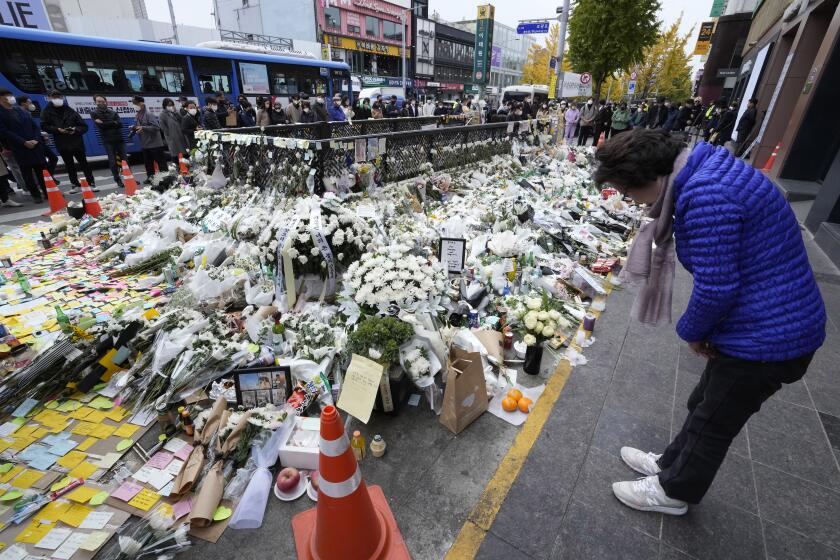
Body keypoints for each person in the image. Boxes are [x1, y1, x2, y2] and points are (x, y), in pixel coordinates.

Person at [593, 128, 825, 516]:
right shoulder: (706, 168)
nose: (631, 202)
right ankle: (670, 463)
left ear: (648, 179)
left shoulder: (705, 195)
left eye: (627, 192)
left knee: (714, 419)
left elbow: (717, 287)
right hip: (767, 317)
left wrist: (693, 332)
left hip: (769, 335)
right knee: (704, 403)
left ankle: (673, 492)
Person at [40, 90, 96, 194]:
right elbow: (44, 126)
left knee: (84, 163)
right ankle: (75, 184)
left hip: (76, 141)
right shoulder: (46, 112)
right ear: (50, 98)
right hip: (62, 142)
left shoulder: (70, 110)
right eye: (54, 97)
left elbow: (84, 126)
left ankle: (91, 182)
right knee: (69, 165)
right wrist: (57, 130)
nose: (57, 99)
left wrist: (75, 129)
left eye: (59, 97)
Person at [0, 89, 47, 203]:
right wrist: (24, 142)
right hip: (19, 146)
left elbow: (34, 126)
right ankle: (35, 195)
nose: (11, 97)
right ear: (1, 98)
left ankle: (47, 192)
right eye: (8, 96)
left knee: (42, 171)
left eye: (11, 95)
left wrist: (36, 139)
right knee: (27, 172)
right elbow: (5, 131)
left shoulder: (20, 110)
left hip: (35, 145)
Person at [131, 95, 167, 183]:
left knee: (160, 162)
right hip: (145, 143)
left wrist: (143, 128)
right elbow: (140, 126)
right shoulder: (138, 115)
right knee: (148, 163)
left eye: (135, 103)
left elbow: (156, 127)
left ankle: (165, 177)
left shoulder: (148, 114)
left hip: (154, 143)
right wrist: (134, 127)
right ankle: (150, 177)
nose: (134, 105)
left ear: (141, 103)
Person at [91, 95, 126, 186]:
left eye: (102, 101)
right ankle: (118, 180)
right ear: (95, 103)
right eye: (98, 101)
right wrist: (113, 123)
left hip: (119, 139)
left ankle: (129, 178)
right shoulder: (94, 113)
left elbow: (120, 124)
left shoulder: (113, 112)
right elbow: (101, 126)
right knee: (113, 161)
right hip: (108, 140)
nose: (101, 103)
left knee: (125, 160)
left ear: (106, 101)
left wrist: (107, 123)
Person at [159, 98, 188, 164]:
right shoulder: (162, 114)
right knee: (175, 153)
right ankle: (178, 168)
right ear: (165, 106)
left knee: (184, 152)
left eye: (172, 105)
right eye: (169, 105)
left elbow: (182, 120)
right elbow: (162, 126)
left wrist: (176, 113)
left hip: (180, 136)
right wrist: (169, 134)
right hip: (172, 138)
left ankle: (186, 166)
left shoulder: (176, 112)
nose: (171, 106)